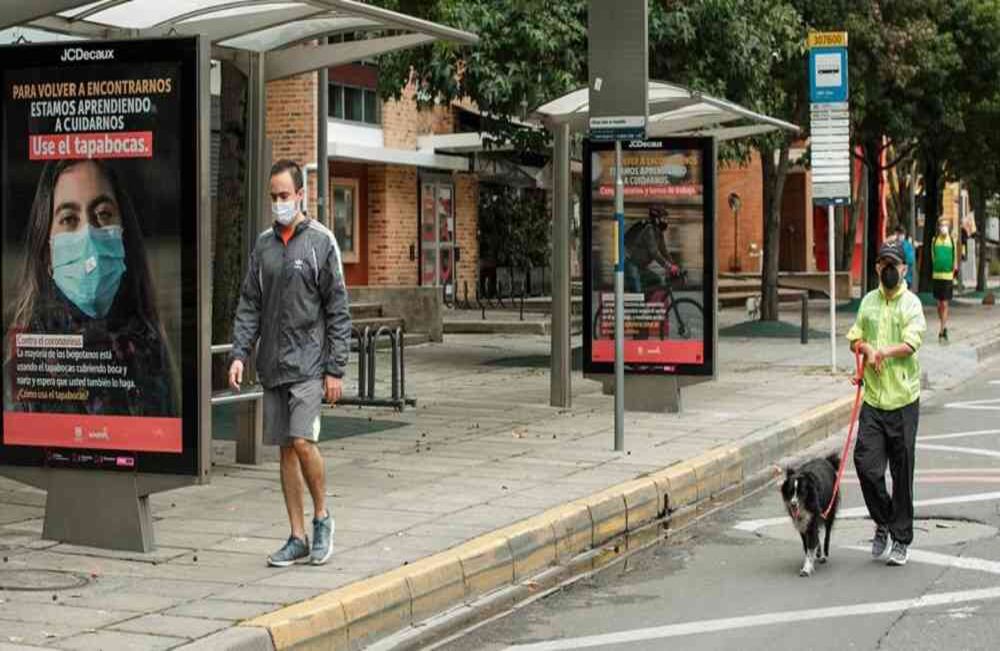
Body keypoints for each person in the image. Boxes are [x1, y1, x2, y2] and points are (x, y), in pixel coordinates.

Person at [229, 159, 351, 567]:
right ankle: (297, 536)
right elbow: (250, 303)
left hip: (310, 366)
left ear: (301, 195)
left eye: (284, 195)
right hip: (273, 364)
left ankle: (322, 517)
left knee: (302, 441)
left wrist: (335, 369)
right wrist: (239, 353)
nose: (278, 203)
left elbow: (337, 308)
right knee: (285, 450)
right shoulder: (263, 246)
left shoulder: (320, 243)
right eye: (273, 197)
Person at [3, 159, 176, 417]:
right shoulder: (25, 359)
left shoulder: (150, 348)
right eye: (69, 218)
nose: (89, 236)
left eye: (103, 214)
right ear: (47, 251)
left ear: (124, 236)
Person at [847, 240, 926, 567]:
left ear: (904, 269)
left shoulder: (912, 304)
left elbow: (912, 342)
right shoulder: (868, 302)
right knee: (865, 464)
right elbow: (854, 336)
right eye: (883, 264)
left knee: (902, 471)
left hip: (904, 400)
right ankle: (884, 520)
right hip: (875, 401)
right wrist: (866, 350)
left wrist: (884, 352)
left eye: (894, 264)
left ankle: (901, 540)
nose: (889, 269)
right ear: (877, 268)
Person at [623, 206, 680, 293]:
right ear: (656, 220)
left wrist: (674, 265)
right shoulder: (649, 230)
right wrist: (669, 267)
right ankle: (639, 306)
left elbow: (664, 251)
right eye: (663, 218)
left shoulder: (659, 234)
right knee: (638, 295)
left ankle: (649, 305)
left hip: (641, 268)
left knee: (657, 281)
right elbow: (654, 253)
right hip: (632, 266)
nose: (666, 221)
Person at [930, 218, 958, 341]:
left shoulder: (952, 241)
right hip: (937, 276)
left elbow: (955, 258)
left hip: (947, 277)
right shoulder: (934, 241)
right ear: (938, 227)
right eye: (942, 225)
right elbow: (933, 257)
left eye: (946, 225)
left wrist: (954, 272)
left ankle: (942, 328)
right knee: (938, 304)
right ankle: (942, 323)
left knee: (945, 303)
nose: (944, 227)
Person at [889, 224, 916, 289]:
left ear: (904, 235)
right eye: (897, 234)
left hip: (906, 278)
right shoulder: (891, 245)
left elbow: (910, 260)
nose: (899, 236)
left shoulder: (908, 246)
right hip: (894, 277)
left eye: (901, 234)